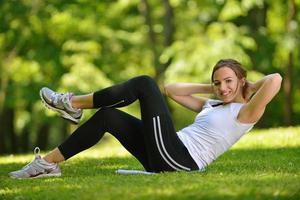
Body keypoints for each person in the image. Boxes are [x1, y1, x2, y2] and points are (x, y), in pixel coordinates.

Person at [9, 59, 282, 178]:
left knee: (144, 83)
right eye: (218, 82)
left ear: (242, 80)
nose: (223, 88)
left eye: (229, 82)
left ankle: (72, 103)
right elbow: (172, 90)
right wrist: (210, 87)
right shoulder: (212, 103)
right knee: (109, 117)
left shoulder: (246, 113)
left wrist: (247, 87)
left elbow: (276, 80)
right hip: (168, 150)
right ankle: (46, 164)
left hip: (181, 160)